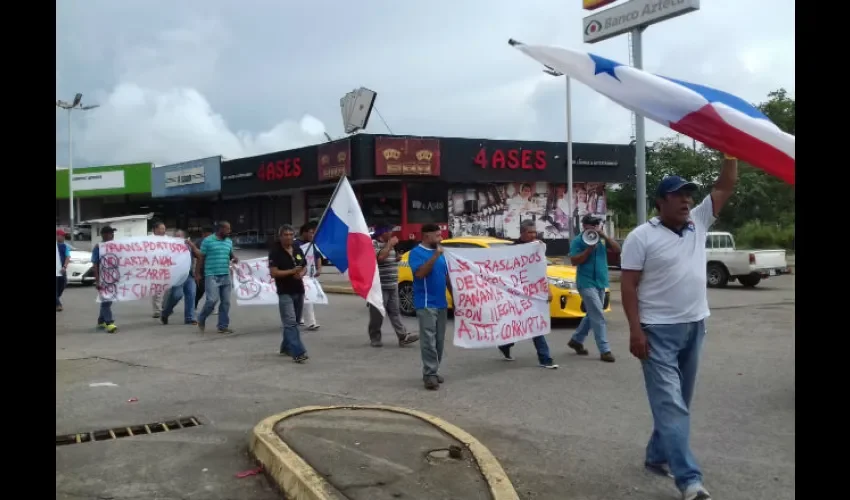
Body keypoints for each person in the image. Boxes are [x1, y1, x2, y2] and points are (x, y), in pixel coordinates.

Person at [620, 155, 738, 500]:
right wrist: (635, 331)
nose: (686, 200)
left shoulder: (698, 222)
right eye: (678, 195)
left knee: (679, 401)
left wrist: (730, 153)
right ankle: (689, 481)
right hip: (656, 333)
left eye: (689, 194)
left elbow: (725, 185)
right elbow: (628, 286)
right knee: (671, 406)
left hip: (695, 327)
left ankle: (657, 456)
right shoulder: (641, 237)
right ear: (661, 201)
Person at [496, 220, 558, 369]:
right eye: (530, 232)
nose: (533, 235)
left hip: (534, 293)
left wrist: (547, 289)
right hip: (516, 293)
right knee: (517, 323)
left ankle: (545, 358)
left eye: (534, 232)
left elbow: (540, 272)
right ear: (522, 233)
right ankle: (505, 344)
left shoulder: (537, 249)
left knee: (535, 324)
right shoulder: (512, 250)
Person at [567, 213, 621, 362]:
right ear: (584, 226)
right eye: (591, 224)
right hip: (586, 282)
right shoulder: (578, 241)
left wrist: (604, 235)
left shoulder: (602, 240)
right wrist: (588, 250)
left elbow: (617, 249)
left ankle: (576, 340)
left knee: (592, 314)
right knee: (598, 315)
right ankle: (605, 350)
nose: (594, 227)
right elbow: (574, 261)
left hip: (601, 281)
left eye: (596, 225)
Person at [408, 223, 451, 390]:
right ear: (427, 236)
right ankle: (429, 374)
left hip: (441, 303)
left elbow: (446, 276)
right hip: (426, 303)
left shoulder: (441, 254)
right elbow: (419, 274)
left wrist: (454, 296)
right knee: (428, 341)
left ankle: (433, 370)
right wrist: (434, 256)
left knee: (439, 340)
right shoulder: (416, 253)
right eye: (438, 235)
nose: (441, 238)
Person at [368, 223, 420, 348]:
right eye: (389, 231)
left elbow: (389, 258)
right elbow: (379, 258)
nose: (391, 234)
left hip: (393, 284)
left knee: (395, 312)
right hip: (380, 286)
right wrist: (390, 244)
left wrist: (396, 257)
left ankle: (403, 336)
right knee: (378, 314)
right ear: (382, 233)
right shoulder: (373, 244)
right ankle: (375, 337)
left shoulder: (390, 246)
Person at [269, 224, 309, 363]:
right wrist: (291, 272)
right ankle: (298, 352)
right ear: (280, 237)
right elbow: (274, 273)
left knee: (295, 322)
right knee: (290, 322)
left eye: (291, 235)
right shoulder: (275, 252)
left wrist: (301, 274)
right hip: (285, 291)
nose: (288, 237)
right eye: (285, 235)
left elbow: (304, 266)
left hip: (299, 290)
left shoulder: (297, 249)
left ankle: (285, 346)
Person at [195, 221, 238, 334]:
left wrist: (234, 258)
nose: (229, 231)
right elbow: (201, 257)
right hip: (211, 275)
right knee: (212, 300)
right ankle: (202, 317)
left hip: (225, 274)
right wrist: (198, 273)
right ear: (220, 229)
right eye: (227, 229)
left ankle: (223, 326)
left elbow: (230, 254)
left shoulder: (229, 242)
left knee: (226, 302)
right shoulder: (208, 241)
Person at [160, 230, 198, 325]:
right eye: (176, 236)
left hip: (189, 275)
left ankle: (190, 318)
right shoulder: (169, 248)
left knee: (191, 294)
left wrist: (191, 244)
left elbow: (199, 254)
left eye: (180, 236)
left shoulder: (189, 246)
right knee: (177, 295)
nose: (178, 238)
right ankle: (165, 313)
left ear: (184, 237)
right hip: (177, 276)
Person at [91, 226, 118, 334]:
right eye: (109, 233)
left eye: (112, 233)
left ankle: (101, 320)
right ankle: (109, 323)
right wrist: (97, 281)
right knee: (106, 300)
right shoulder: (98, 248)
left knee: (108, 300)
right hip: (103, 279)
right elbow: (95, 264)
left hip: (114, 278)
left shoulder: (116, 246)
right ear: (104, 235)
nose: (112, 235)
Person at [295, 222, 321, 330]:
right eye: (311, 232)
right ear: (304, 232)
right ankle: (310, 322)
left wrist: (319, 268)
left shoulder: (313, 244)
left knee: (304, 296)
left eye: (314, 233)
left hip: (310, 274)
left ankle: (300, 318)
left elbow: (318, 256)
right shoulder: (296, 244)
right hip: (299, 274)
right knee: (304, 296)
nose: (312, 235)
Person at [150, 221, 168, 318]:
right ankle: (157, 310)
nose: (163, 230)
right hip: (154, 267)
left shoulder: (167, 239)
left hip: (166, 266)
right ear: (155, 229)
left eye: (164, 229)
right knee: (157, 290)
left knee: (166, 289)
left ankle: (165, 307)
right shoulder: (149, 239)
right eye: (161, 228)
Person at [56, 229, 70, 311]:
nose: (64, 237)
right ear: (57, 236)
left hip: (61, 270)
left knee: (62, 286)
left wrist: (64, 266)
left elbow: (67, 257)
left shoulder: (64, 246)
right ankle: (58, 304)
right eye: (62, 235)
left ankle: (56, 300)